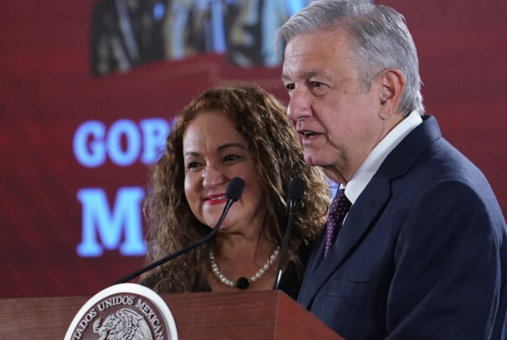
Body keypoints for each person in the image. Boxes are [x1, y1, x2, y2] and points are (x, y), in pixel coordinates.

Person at [276, 0, 507, 339]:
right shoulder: (353, 196)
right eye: (291, 87)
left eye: (317, 85)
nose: (294, 109)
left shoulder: (446, 200)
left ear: (387, 92)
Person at [140, 86, 330, 300]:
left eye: (230, 158)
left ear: (274, 164)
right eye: (194, 164)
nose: (211, 180)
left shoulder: (327, 263)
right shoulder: (161, 293)